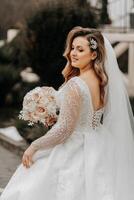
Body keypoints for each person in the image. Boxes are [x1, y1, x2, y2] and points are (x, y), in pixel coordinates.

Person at [1, 26, 134, 200]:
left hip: (75, 146)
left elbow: (65, 129)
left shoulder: (76, 85)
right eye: (72, 48)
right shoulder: (103, 82)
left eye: (80, 49)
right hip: (99, 142)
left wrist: (34, 146)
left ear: (93, 54)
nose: (73, 53)